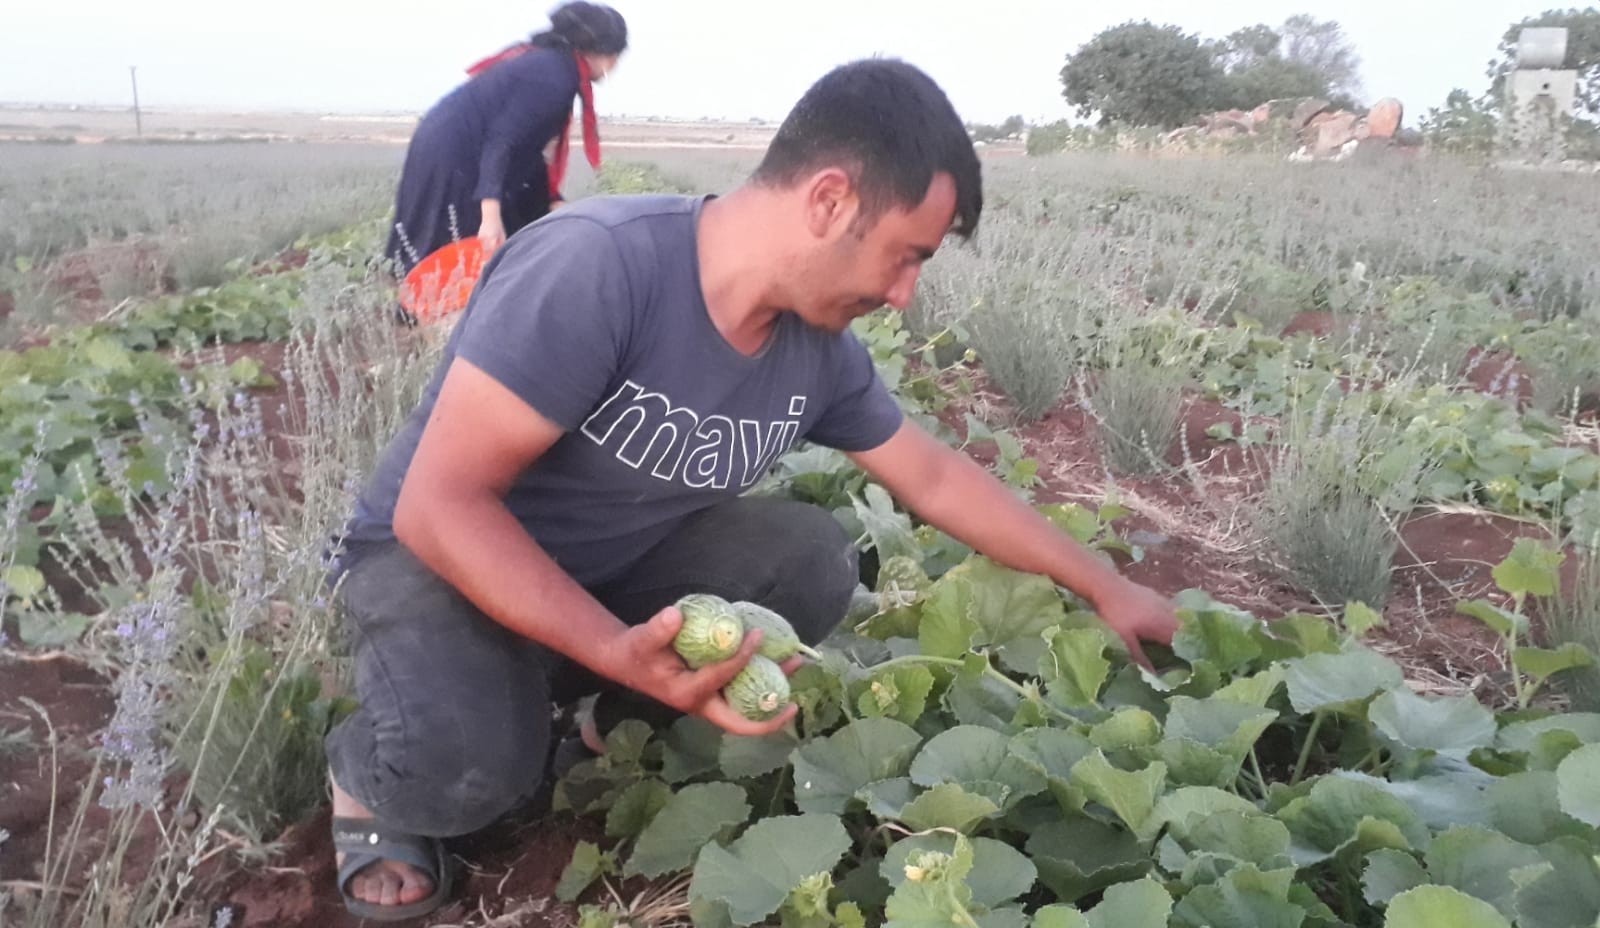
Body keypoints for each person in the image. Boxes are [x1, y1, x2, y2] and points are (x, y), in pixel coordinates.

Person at [323, 57, 1180, 920]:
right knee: (469, 781)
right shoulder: (599, 269)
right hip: (432, 560)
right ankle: (366, 774)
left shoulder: (817, 353)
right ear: (830, 200)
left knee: (806, 560)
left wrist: (1107, 585)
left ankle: (588, 725)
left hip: (600, 571)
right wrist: (611, 647)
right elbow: (438, 506)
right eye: (906, 256)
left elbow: (932, 475)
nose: (903, 292)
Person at [383, 2, 627, 284]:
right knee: (456, 244)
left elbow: (527, 146)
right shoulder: (554, 76)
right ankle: (417, 317)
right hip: (458, 153)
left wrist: (549, 200)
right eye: (615, 55)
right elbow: (502, 141)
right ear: (602, 52)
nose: (614, 65)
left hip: (452, 144)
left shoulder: (552, 65)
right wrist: (490, 216)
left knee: (516, 226)